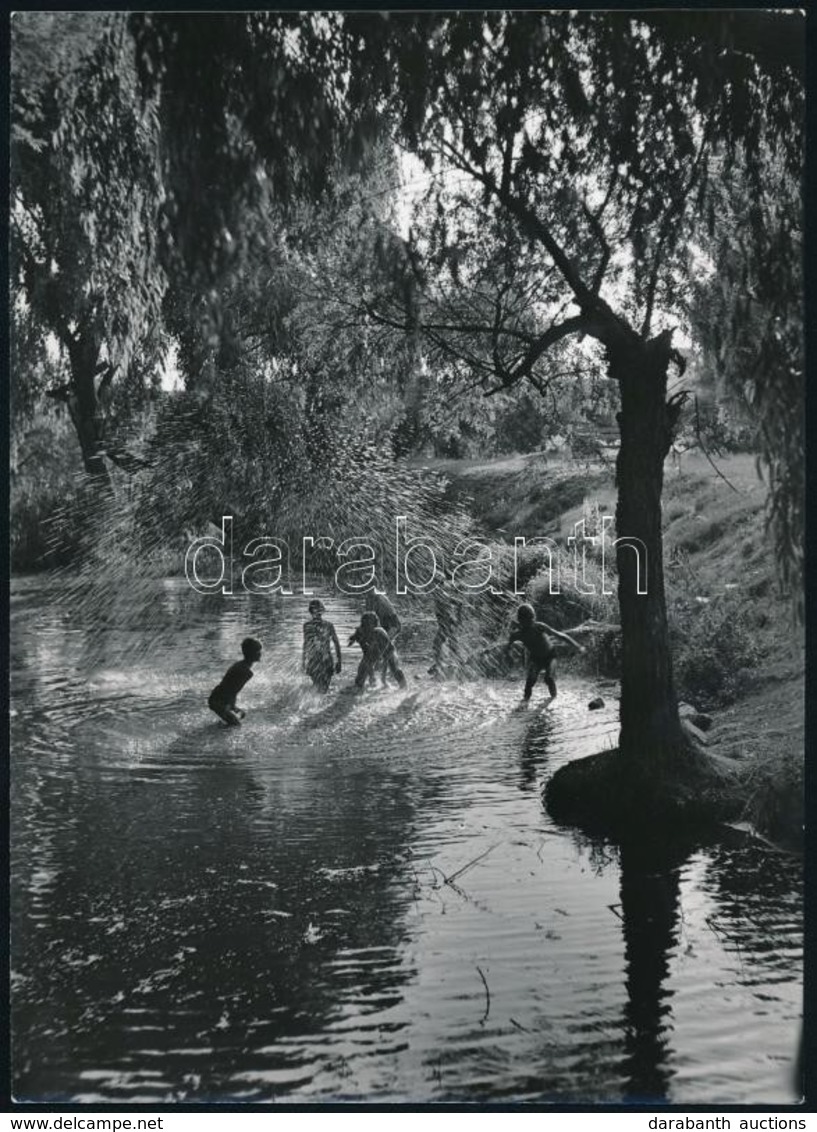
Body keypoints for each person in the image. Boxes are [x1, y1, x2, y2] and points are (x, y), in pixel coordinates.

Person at [509, 602, 584, 704]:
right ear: (520, 621)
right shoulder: (518, 634)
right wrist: (510, 653)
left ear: (533, 618)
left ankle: (553, 700)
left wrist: (576, 646)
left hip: (550, 656)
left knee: (549, 678)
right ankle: (524, 705)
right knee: (530, 681)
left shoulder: (539, 627)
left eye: (531, 620)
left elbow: (559, 635)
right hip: (535, 659)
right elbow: (508, 646)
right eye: (525, 621)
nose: (529, 623)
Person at [208, 637, 262, 725]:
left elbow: (229, 687)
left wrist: (233, 707)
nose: (260, 654)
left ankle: (216, 729)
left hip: (216, 697)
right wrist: (229, 706)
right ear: (252, 653)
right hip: (219, 700)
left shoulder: (240, 664)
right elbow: (233, 691)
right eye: (258, 651)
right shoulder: (246, 672)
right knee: (236, 726)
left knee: (232, 725)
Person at [349, 611, 407, 691]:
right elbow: (366, 654)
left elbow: (386, 655)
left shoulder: (379, 632)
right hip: (373, 651)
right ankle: (357, 689)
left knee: (394, 669)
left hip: (388, 651)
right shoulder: (360, 632)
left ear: (375, 624)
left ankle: (404, 687)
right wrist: (371, 675)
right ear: (363, 623)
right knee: (360, 674)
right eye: (366, 623)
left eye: (370, 623)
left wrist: (383, 679)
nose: (368, 626)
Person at [302, 599, 342, 692]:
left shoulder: (307, 626)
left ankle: (314, 704)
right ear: (322, 611)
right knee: (324, 689)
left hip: (313, 661)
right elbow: (337, 644)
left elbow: (306, 644)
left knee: (317, 687)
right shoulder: (328, 625)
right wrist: (339, 661)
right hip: (326, 660)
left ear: (310, 611)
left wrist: (303, 661)